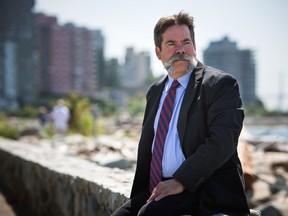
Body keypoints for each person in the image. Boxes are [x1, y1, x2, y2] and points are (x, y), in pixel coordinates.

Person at [112, 11, 250, 216]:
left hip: (202, 187)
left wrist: (180, 181)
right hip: (158, 187)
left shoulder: (219, 84)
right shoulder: (156, 90)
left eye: (186, 42)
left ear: (194, 47)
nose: (181, 50)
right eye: (171, 44)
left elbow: (222, 141)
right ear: (158, 52)